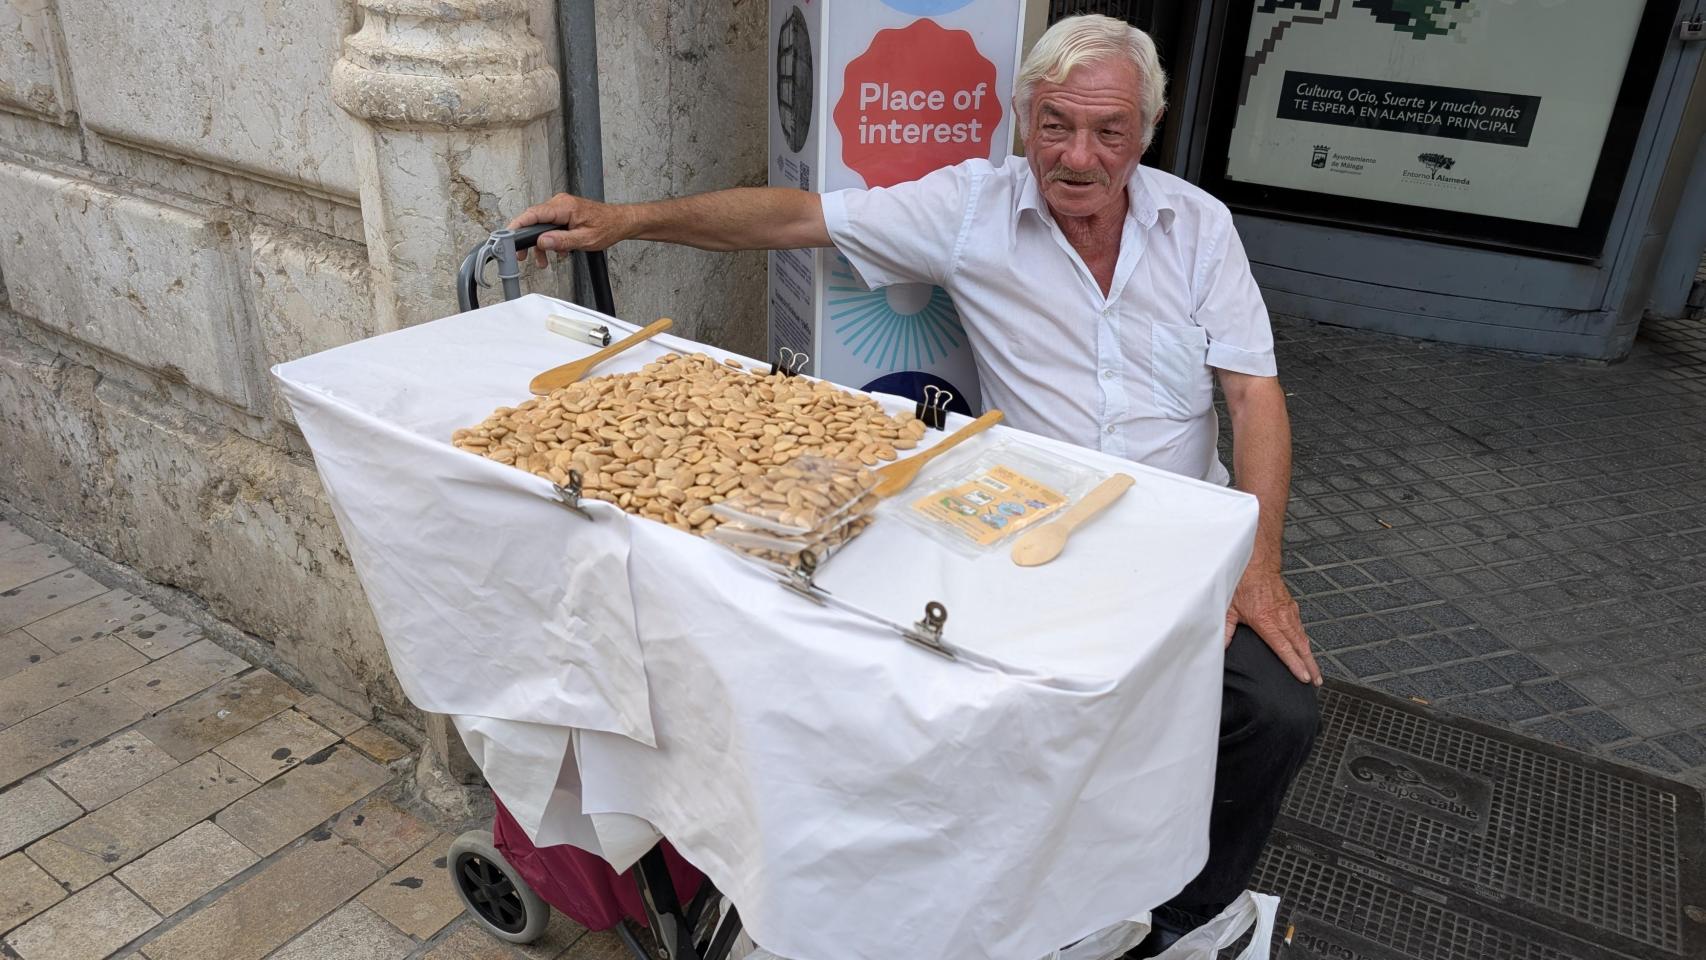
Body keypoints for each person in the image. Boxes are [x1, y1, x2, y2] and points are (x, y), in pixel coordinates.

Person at [510, 14, 1320, 956]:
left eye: (1109, 130)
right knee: (1001, 710)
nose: (1079, 156)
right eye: (1055, 124)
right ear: (1023, 120)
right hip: (1036, 525)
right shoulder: (973, 209)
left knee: (1278, 710)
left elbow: (1256, 398)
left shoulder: (1199, 226)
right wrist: (626, 220)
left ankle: (1183, 919)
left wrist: (1260, 565)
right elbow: (793, 216)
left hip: (1185, 534)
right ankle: (1023, 897)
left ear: (1149, 130)